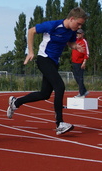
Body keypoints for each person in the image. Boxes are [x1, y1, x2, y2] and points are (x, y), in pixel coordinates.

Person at [7, 7, 88, 135]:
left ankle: (16, 102)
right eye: (78, 24)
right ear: (72, 19)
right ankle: (60, 123)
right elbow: (31, 31)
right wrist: (31, 51)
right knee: (59, 86)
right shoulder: (53, 25)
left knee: (45, 94)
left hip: (54, 63)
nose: (79, 27)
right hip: (44, 59)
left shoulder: (71, 31)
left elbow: (70, 43)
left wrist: (76, 47)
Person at [70, 28, 90, 98]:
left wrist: (84, 62)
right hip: (74, 61)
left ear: (82, 34)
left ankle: (82, 93)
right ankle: (84, 91)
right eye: (77, 33)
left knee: (80, 78)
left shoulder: (84, 41)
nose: (78, 34)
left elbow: (87, 53)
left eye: (79, 33)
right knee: (76, 77)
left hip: (80, 62)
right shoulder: (74, 40)